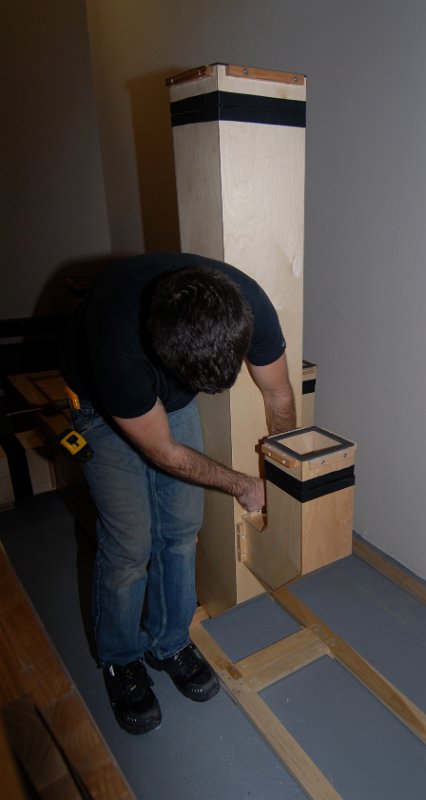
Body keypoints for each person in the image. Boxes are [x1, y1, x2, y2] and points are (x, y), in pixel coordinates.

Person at [60, 252, 296, 735]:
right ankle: (121, 661)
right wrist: (241, 483)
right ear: (165, 354)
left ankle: (170, 642)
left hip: (160, 390)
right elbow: (163, 450)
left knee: (181, 527)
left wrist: (284, 472)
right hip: (100, 405)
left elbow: (279, 395)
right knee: (131, 543)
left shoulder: (247, 301)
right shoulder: (117, 346)